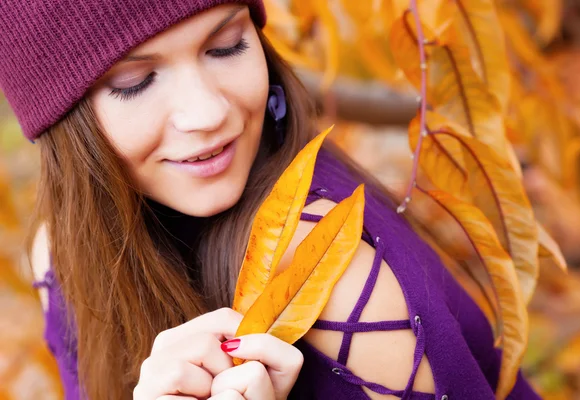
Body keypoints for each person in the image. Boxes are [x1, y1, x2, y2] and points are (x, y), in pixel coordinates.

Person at [0, 1, 542, 399]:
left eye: (226, 45)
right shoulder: (66, 258)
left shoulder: (337, 277)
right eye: (137, 82)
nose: (208, 112)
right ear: (62, 126)